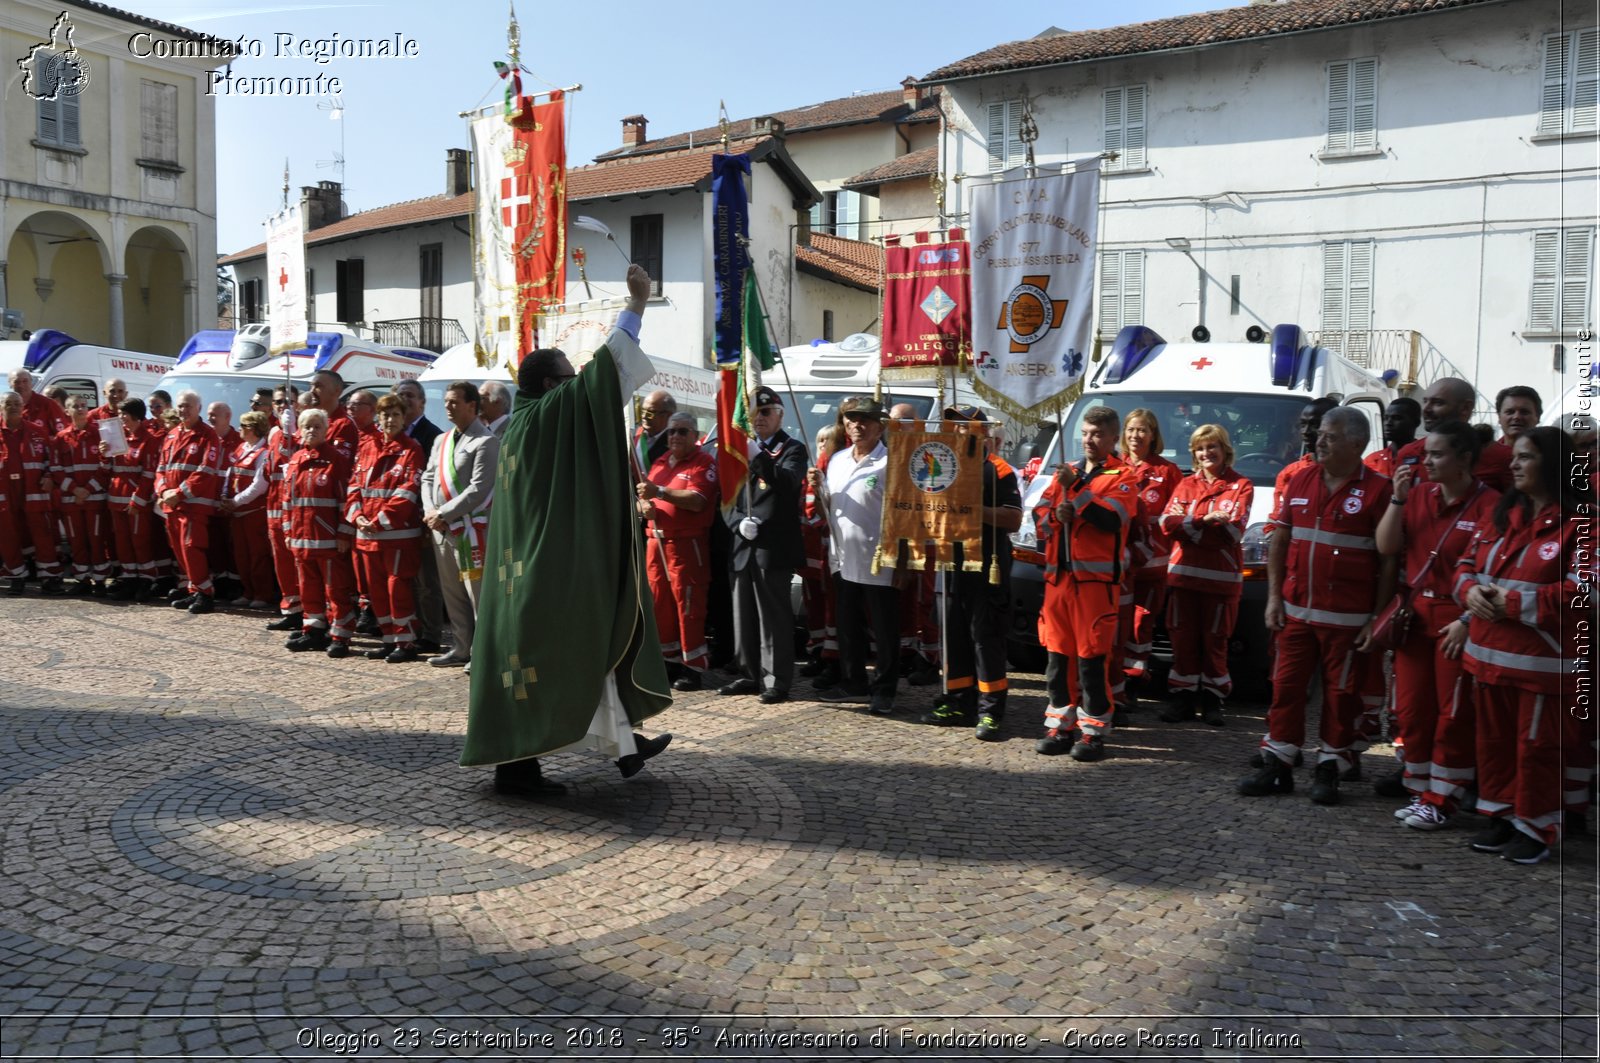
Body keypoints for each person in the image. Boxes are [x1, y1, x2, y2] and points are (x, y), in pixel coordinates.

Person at [462, 263, 672, 797]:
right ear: (551, 385)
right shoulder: (550, 415)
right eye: (568, 375)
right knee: (573, 654)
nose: (578, 381)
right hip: (547, 574)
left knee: (585, 654)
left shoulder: (521, 426)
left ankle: (623, 748)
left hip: (527, 575)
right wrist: (637, 303)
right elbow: (611, 367)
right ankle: (516, 769)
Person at [1239, 406, 1395, 803]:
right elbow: (1280, 540)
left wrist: (1376, 619)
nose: (1319, 440)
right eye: (1320, 434)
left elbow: (1388, 559)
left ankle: (1331, 767)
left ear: (1357, 443)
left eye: (1331, 435)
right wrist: (1274, 597)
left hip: (1347, 620)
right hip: (1295, 614)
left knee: (1342, 697)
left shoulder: (1379, 490)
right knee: (1285, 689)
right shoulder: (1302, 478)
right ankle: (1279, 763)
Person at [1456, 427, 1591, 865]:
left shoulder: (1584, 525)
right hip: (1487, 658)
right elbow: (1465, 564)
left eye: (1525, 457)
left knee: (1536, 750)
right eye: (1514, 456)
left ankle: (1536, 827)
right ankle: (1500, 816)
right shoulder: (1502, 513)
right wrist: (1468, 593)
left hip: (1544, 667)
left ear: (1551, 465)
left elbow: (1583, 594)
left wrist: (1510, 604)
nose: (1513, 464)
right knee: (1493, 744)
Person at [1374, 420, 1499, 831]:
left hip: (1457, 621)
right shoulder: (1419, 494)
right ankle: (1420, 788)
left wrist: (1467, 619)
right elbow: (1387, 546)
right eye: (1425, 454)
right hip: (1415, 616)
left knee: (1453, 714)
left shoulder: (1491, 505)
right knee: (1412, 711)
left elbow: (1494, 573)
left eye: (1437, 454)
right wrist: (1396, 498)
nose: (1426, 461)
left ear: (1464, 459)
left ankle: (1443, 798)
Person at [1032, 406, 1138, 761]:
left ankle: (1092, 732)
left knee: (1092, 660)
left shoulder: (1123, 475)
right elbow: (1040, 514)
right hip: (1058, 580)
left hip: (1095, 584)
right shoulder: (1068, 470)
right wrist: (1055, 517)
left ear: (1112, 438)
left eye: (1097, 434)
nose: (1090, 439)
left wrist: (1074, 492)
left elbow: (1111, 519)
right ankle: (1060, 724)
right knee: (1058, 659)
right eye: (1086, 433)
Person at [921, 405, 1021, 741]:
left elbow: (1013, 518)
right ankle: (957, 700)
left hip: (987, 566)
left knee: (985, 639)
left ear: (982, 431)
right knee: (953, 636)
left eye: (966, 426)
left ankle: (990, 710)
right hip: (952, 564)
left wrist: (975, 510)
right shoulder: (945, 466)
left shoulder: (999, 470)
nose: (960, 431)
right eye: (955, 426)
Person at [1157, 424, 1254, 726]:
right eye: (1200, 448)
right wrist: (1204, 521)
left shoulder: (1242, 485)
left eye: (1212, 447)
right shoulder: (1185, 485)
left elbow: (1234, 532)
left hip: (1221, 582)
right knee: (1182, 641)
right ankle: (1183, 700)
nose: (1206, 453)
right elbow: (1166, 524)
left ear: (1225, 449)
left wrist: (1190, 529)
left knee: (1215, 644)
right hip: (1184, 578)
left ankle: (1213, 702)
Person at [719, 384, 809, 705]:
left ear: (780, 415)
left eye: (766, 412)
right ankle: (748, 673)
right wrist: (737, 523)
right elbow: (726, 496)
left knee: (774, 617)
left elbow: (786, 484)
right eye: (755, 412)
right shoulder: (738, 449)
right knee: (743, 614)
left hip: (773, 545)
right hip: (744, 543)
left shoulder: (793, 449)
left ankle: (776, 679)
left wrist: (759, 457)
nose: (759, 418)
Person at [811, 397, 901, 715]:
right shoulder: (836, 460)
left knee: (885, 627)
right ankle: (853, 683)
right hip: (842, 556)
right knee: (848, 624)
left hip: (878, 558)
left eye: (864, 420)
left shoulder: (891, 462)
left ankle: (885, 689)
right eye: (851, 419)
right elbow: (830, 506)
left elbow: (900, 512)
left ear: (880, 425)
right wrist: (819, 490)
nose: (856, 425)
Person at [637, 411, 718, 690]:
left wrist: (658, 493)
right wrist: (643, 507)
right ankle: (668, 662)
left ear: (695, 436)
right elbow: (641, 499)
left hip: (686, 546)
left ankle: (692, 666)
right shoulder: (659, 463)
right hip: (655, 543)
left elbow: (697, 500)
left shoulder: (703, 462)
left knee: (688, 605)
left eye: (683, 431)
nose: (675, 436)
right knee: (660, 605)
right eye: (672, 431)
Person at [420, 381, 498, 669]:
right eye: (446, 402)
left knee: (476, 596)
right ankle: (461, 647)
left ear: (472, 406)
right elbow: (427, 478)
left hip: (470, 532)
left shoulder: (486, 442)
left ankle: (482, 652)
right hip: (442, 530)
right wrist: (430, 510)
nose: (448, 407)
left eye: (454, 402)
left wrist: (444, 512)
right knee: (452, 594)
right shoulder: (441, 440)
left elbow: (479, 488)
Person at [346, 394, 428, 663]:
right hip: (367, 536)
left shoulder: (412, 449)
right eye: (385, 415)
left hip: (398, 537)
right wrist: (356, 516)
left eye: (395, 415)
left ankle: (406, 642)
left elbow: (407, 492)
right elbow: (354, 486)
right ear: (378, 418)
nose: (390, 420)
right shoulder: (367, 446)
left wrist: (379, 521)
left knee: (397, 589)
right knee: (376, 590)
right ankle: (389, 638)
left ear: (404, 418)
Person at [1120, 408, 1182, 701]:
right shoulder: (1113, 465)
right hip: (1119, 564)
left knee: (1141, 624)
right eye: (1131, 429)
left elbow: (1178, 515)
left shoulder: (1167, 472)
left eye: (1143, 430)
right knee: (1118, 624)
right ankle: (1115, 681)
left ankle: (1133, 681)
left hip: (1153, 566)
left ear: (1154, 435)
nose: (1136, 436)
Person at [283, 408, 356, 656]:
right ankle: (314, 631)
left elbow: (346, 501)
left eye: (317, 426)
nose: (311, 431)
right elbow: (287, 502)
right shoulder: (296, 460)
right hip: (301, 539)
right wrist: (287, 532)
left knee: (335, 590)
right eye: (307, 426)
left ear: (326, 430)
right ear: (300, 430)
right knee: (308, 590)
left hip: (328, 541)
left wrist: (344, 534)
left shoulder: (336, 460)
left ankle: (340, 636)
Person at [153, 390, 223, 613]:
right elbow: (161, 468)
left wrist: (179, 493)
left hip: (194, 504)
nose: (184, 410)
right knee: (178, 549)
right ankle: (194, 590)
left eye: (188, 406)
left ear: (198, 409)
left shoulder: (207, 435)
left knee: (192, 547)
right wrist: (163, 491)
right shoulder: (172, 435)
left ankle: (205, 594)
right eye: (181, 406)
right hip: (171, 504)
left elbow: (206, 470)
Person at [394, 378, 444, 655]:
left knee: (427, 583)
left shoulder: (432, 435)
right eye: (400, 395)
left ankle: (431, 635)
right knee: (404, 580)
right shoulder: (390, 435)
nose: (405, 399)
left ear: (422, 402)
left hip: (421, 520)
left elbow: (432, 480)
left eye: (410, 395)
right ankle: (407, 630)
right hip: (395, 525)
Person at [1396, 377, 1512, 491]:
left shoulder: (1502, 458)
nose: (1426, 409)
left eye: (1438, 403)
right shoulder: (1408, 453)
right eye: (1425, 401)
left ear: (1465, 408)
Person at [0, 391, 63, 594]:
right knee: (8, 536)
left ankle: (50, 577)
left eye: (17, 403)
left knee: (42, 534)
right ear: (1, 406)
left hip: (34, 490)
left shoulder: (37, 431)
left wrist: (48, 476)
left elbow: (51, 458)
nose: (14, 407)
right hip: (4, 493)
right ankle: (16, 576)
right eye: (8, 403)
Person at [799, 421, 845, 685]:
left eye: (826, 441)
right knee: (813, 607)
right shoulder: (812, 472)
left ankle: (831, 656)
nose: (821, 447)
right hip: (811, 553)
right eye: (818, 441)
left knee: (831, 609)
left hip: (829, 550)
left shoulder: (831, 471)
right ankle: (816, 651)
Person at [54, 395, 111, 595]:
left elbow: (106, 466)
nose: (80, 409)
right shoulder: (61, 438)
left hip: (94, 499)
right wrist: (74, 490)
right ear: (67, 412)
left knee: (96, 540)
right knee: (76, 540)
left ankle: (100, 581)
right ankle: (82, 580)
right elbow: (56, 468)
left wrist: (88, 489)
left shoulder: (100, 433)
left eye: (83, 406)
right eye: (75, 406)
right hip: (71, 500)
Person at [219, 411, 277, 609]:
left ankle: (262, 593)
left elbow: (259, 485)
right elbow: (230, 472)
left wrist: (236, 501)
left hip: (253, 512)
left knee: (257, 555)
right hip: (237, 512)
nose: (239, 429)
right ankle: (248, 591)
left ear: (252, 428)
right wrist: (225, 496)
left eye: (242, 426)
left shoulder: (264, 453)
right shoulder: (242, 448)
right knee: (241, 555)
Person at [103, 398, 159, 600]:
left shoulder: (149, 440)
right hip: (117, 498)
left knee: (140, 542)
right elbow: (109, 469)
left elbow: (149, 474)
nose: (120, 418)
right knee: (123, 543)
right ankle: (129, 579)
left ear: (135, 416)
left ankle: (147, 580)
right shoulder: (118, 438)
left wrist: (138, 500)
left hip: (135, 501)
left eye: (124, 414)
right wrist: (104, 455)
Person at [263, 386, 304, 631]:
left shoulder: (301, 430)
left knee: (298, 563)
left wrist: (295, 435)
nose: (283, 406)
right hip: (274, 507)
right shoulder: (274, 434)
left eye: (289, 401)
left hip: (295, 508)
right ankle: (292, 610)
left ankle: (309, 612)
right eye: (279, 402)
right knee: (282, 564)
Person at [1272, 397, 1338, 515]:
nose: (1305, 431)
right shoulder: (1290, 473)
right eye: (1302, 425)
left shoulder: (1357, 477)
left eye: (1314, 424)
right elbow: (1277, 520)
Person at [1364, 397, 1422, 479]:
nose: (1388, 423)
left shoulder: (1426, 459)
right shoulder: (1372, 461)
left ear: (1416, 422)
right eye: (1386, 418)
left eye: (1397, 418)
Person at [8, 368, 68, 435]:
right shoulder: (5, 407)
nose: (21, 385)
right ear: (10, 384)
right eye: (16, 382)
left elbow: (63, 435)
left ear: (31, 382)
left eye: (25, 381)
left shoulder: (47, 404)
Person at [635, 390, 676, 471]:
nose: (644, 416)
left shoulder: (674, 443)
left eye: (650, 412)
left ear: (668, 416)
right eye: (642, 411)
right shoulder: (636, 437)